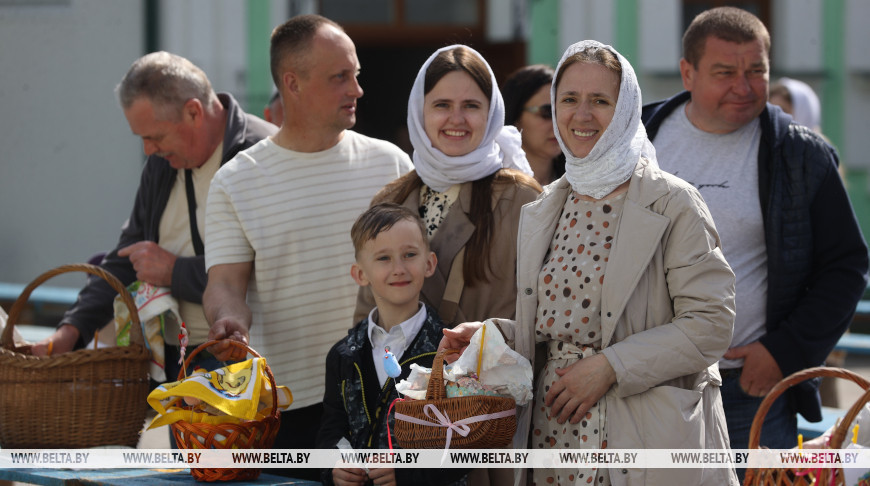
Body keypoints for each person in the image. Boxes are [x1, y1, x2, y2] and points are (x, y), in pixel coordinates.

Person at [442, 40, 738, 486]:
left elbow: (711, 323)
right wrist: (493, 337)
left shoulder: (673, 202)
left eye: (600, 100)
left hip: (640, 439)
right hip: (552, 439)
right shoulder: (545, 207)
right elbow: (557, 328)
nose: (582, 115)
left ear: (626, 110)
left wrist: (610, 367)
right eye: (569, 100)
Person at [641, 6, 869, 461]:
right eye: (725, 72)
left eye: (756, 71)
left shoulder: (801, 155)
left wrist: (783, 351)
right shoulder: (637, 140)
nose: (743, 87)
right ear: (688, 72)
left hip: (747, 391)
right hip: (640, 386)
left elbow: (845, 268)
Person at [202, 14, 413, 479]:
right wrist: (228, 321)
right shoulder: (237, 180)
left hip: (384, 396)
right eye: (340, 77)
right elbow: (225, 283)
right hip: (286, 407)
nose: (357, 89)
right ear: (292, 84)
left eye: (356, 74)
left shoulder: (391, 164)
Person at [31, 52, 276, 381]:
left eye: (155, 137)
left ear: (193, 112)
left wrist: (175, 272)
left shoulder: (263, 154)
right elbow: (127, 258)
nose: (148, 150)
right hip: (173, 359)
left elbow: (274, 269)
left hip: (247, 358)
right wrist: (71, 330)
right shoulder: (162, 162)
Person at [353, 45, 542, 332]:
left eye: (471, 106)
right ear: (420, 112)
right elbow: (369, 318)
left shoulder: (522, 199)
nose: (456, 118)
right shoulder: (391, 199)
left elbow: (545, 316)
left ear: (491, 113)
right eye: (442, 105)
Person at [318, 203, 466, 486]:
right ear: (360, 274)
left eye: (409, 254)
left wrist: (410, 472)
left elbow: (467, 440)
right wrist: (334, 466)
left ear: (429, 263)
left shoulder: (451, 350)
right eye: (383, 258)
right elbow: (331, 430)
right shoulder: (343, 354)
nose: (399, 269)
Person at [502, 64, 565, 186]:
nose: (558, 124)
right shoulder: (495, 189)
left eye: (563, 112)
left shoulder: (581, 185)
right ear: (516, 117)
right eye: (547, 112)